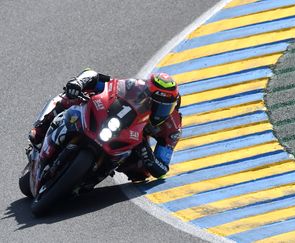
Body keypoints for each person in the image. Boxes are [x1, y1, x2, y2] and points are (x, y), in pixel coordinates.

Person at [28, 69, 182, 182]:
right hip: (114, 123)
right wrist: (78, 83)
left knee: (142, 174)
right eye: (156, 104)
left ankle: (95, 174)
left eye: (166, 107)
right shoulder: (135, 87)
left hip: (135, 142)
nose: (159, 111)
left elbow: (162, 169)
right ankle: (42, 128)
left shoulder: (173, 127)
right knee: (73, 98)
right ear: (147, 94)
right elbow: (95, 76)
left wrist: (150, 158)